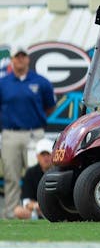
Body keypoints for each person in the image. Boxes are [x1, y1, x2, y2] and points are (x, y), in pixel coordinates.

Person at [0, 46, 56, 219]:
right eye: (17, 57)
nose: (20, 60)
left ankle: (46, 211)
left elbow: (50, 106)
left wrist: (36, 119)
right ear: (12, 60)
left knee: (40, 173)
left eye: (23, 56)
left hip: (34, 134)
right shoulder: (3, 83)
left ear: (28, 59)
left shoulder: (40, 81)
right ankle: (11, 214)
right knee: (11, 176)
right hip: (11, 134)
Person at [13, 138, 54, 220]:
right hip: (37, 211)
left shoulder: (60, 171)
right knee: (18, 211)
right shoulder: (30, 173)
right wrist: (37, 206)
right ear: (37, 157)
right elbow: (26, 201)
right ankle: (38, 218)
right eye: (43, 154)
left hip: (55, 209)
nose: (46, 158)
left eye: (48, 154)